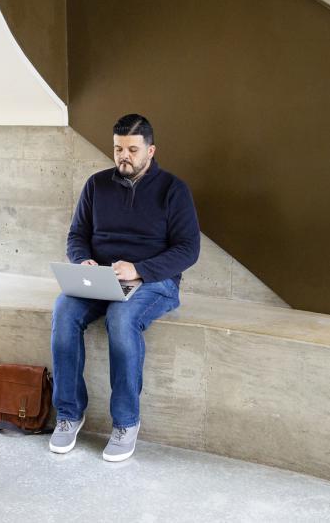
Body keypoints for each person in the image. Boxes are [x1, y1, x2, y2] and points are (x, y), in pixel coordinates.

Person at [49, 114, 199, 461]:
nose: (123, 156)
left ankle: (126, 422)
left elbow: (188, 249)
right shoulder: (96, 185)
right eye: (118, 148)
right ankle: (69, 414)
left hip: (154, 282)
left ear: (150, 150)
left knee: (121, 318)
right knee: (63, 310)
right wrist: (83, 259)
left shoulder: (173, 190)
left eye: (132, 149)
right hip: (98, 278)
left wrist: (140, 269)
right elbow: (77, 236)